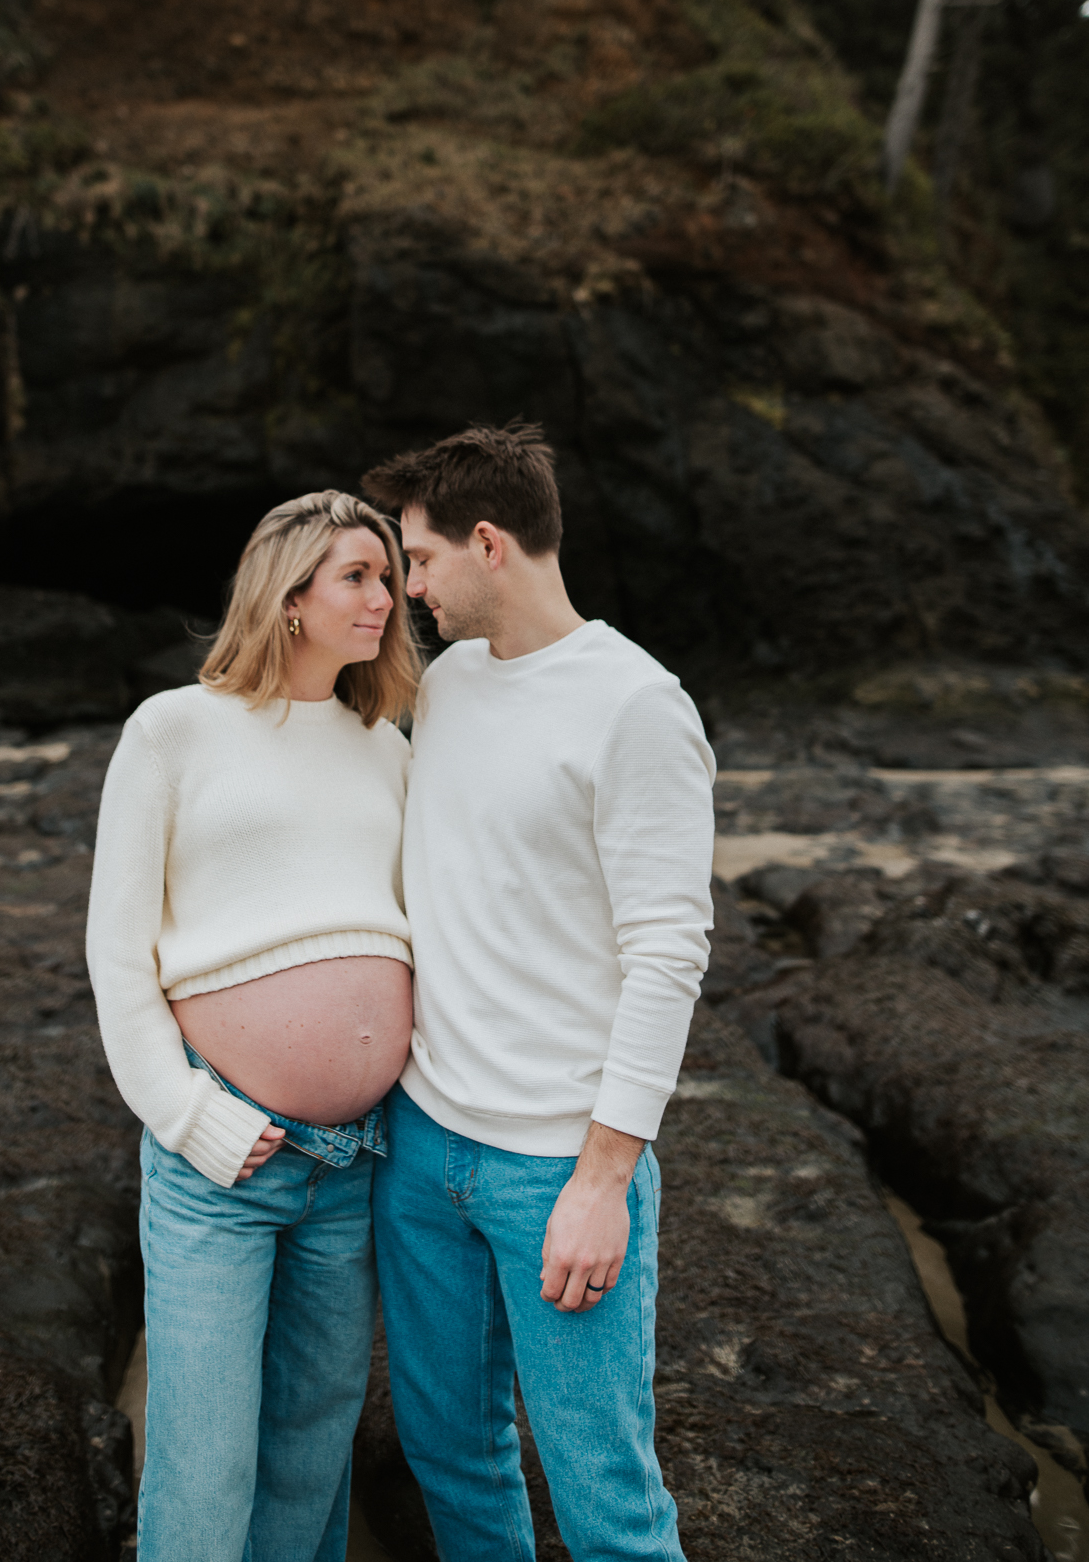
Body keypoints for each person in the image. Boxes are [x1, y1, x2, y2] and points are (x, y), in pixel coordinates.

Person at [361, 422, 715, 1562]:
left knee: (604, 1498)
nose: (409, 590)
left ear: (487, 542)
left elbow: (668, 952)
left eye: (420, 559)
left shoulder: (637, 705)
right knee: (450, 1455)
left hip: (554, 1162)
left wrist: (604, 1179)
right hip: (422, 1142)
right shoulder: (449, 685)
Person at [85, 490, 422, 1562]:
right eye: (356, 575)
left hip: (356, 1162)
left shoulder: (387, 747)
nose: (384, 596)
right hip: (220, 1161)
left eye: (387, 575)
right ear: (287, 598)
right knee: (205, 1456)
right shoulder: (173, 729)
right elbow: (116, 949)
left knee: (311, 1447)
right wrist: (187, 1114)